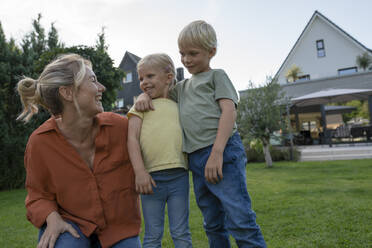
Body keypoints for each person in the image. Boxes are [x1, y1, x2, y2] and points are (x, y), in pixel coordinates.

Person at [135, 21, 267, 248]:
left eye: (193, 53)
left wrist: (217, 152)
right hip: (195, 160)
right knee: (212, 222)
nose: (186, 59)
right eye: (182, 54)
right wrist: (144, 96)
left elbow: (229, 111)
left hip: (222, 152)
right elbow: (158, 91)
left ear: (211, 52)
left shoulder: (217, 76)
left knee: (239, 218)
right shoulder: (182, 88)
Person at [17, 54, 141, 248]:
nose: (102, 88)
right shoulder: (40, 143)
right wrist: (52, 218)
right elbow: (37, 195)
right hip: (71, 223)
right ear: (67, 93)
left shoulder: (121, 128)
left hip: (117, 228)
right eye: (93, 81)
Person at [127, 53, 192, 248]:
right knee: (153, 235)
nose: (144, 82)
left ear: (169, 77)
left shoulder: (180, 104)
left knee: (181, 233)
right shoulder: (140, 106)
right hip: (150, 180)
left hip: (178, 177)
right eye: (141, 78)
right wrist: (139, 172)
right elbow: (131, 139)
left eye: (150, 76)